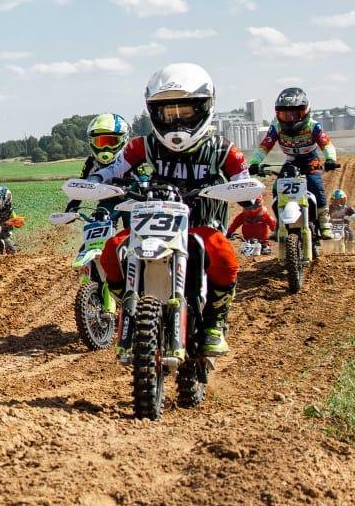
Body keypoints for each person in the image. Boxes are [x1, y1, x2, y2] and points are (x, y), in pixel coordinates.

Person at [93, 63, 250, 358]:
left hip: (200, 225)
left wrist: (249, 199)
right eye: (168, 113)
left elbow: (244, 179)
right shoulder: (145, 145)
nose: (176, 120)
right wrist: (96, 181)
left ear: (204, 108)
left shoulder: (223, 149)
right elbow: (114, 169)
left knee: (222, 251)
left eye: (186, 112)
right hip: (152, 224)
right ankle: (130, 308)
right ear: (155, 113)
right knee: (112, 249)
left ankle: (215, 322)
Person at [248, 87, 339, 238]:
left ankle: (324, 223)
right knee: (277, 188)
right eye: (285, 114)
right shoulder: (276, 127)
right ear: (278, 114)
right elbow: (265, 146)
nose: (290, 118)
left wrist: (330, 160)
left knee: (316, 186)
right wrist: (255, 163)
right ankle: (280, 223)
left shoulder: (313, 125)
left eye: (295, 114)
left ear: (305, 111)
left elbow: (326, 144)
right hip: (291, 161)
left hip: (311, 159)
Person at [63, 114, 130, 214]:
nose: (105, 147)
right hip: (107, 202)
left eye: (111, 141)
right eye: (100, 142)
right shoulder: (91, 161)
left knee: (132, 224)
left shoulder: (130, 158)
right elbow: (81, 184)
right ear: (91, 142)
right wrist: (71, 208)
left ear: (123, 139)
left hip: (131, 201)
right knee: (99, 218)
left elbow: (144, 178)